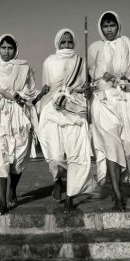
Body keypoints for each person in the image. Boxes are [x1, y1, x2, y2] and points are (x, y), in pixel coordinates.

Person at [0, 34, 48, 216]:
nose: (6, 51)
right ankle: (2, 203)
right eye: (3, 47)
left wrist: (16, 96)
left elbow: (31, 93)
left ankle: (12, 188)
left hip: (18, 115)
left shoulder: (24, 68)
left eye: (10, 48)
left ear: (16, 50)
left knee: (18, 157)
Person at [88, 10, 130, 212]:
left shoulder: (127, 44)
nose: (108, 30)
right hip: (104, 101)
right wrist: (99, 79)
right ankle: (117, 196)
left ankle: (119, 184)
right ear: (101, 27)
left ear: (118, 26)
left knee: (127, 144)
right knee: (112, 145)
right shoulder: (94, 48)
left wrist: (123, 78)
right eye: (105, 26)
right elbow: (90, 76)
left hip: (125, 99)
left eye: (111, 25)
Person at [37, 29, 96, 213]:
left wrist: (85, 90)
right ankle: (57, 181)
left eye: (70, 42)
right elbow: (46, 87)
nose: (67, 46)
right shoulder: (49, 61)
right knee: (55, 156)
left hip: (74, 109)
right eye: (63, 42)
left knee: (75, 154)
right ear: (57, 43)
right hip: (52, 109)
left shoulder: (80, 61)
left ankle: (71, 196)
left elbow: (83, 86)